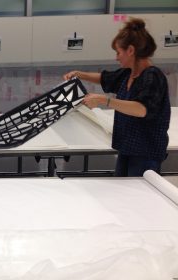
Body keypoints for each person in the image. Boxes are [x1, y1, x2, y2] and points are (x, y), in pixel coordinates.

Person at [64, 17, 170, 177]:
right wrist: (79, 74)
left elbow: (141, 109)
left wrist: (103, 100)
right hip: (127, 149)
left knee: (137, 197)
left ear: (131, 50)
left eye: (118, 52)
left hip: (145, 153)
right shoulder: (129, 73)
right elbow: (105, 78)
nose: (116, 57)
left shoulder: (153, 77)